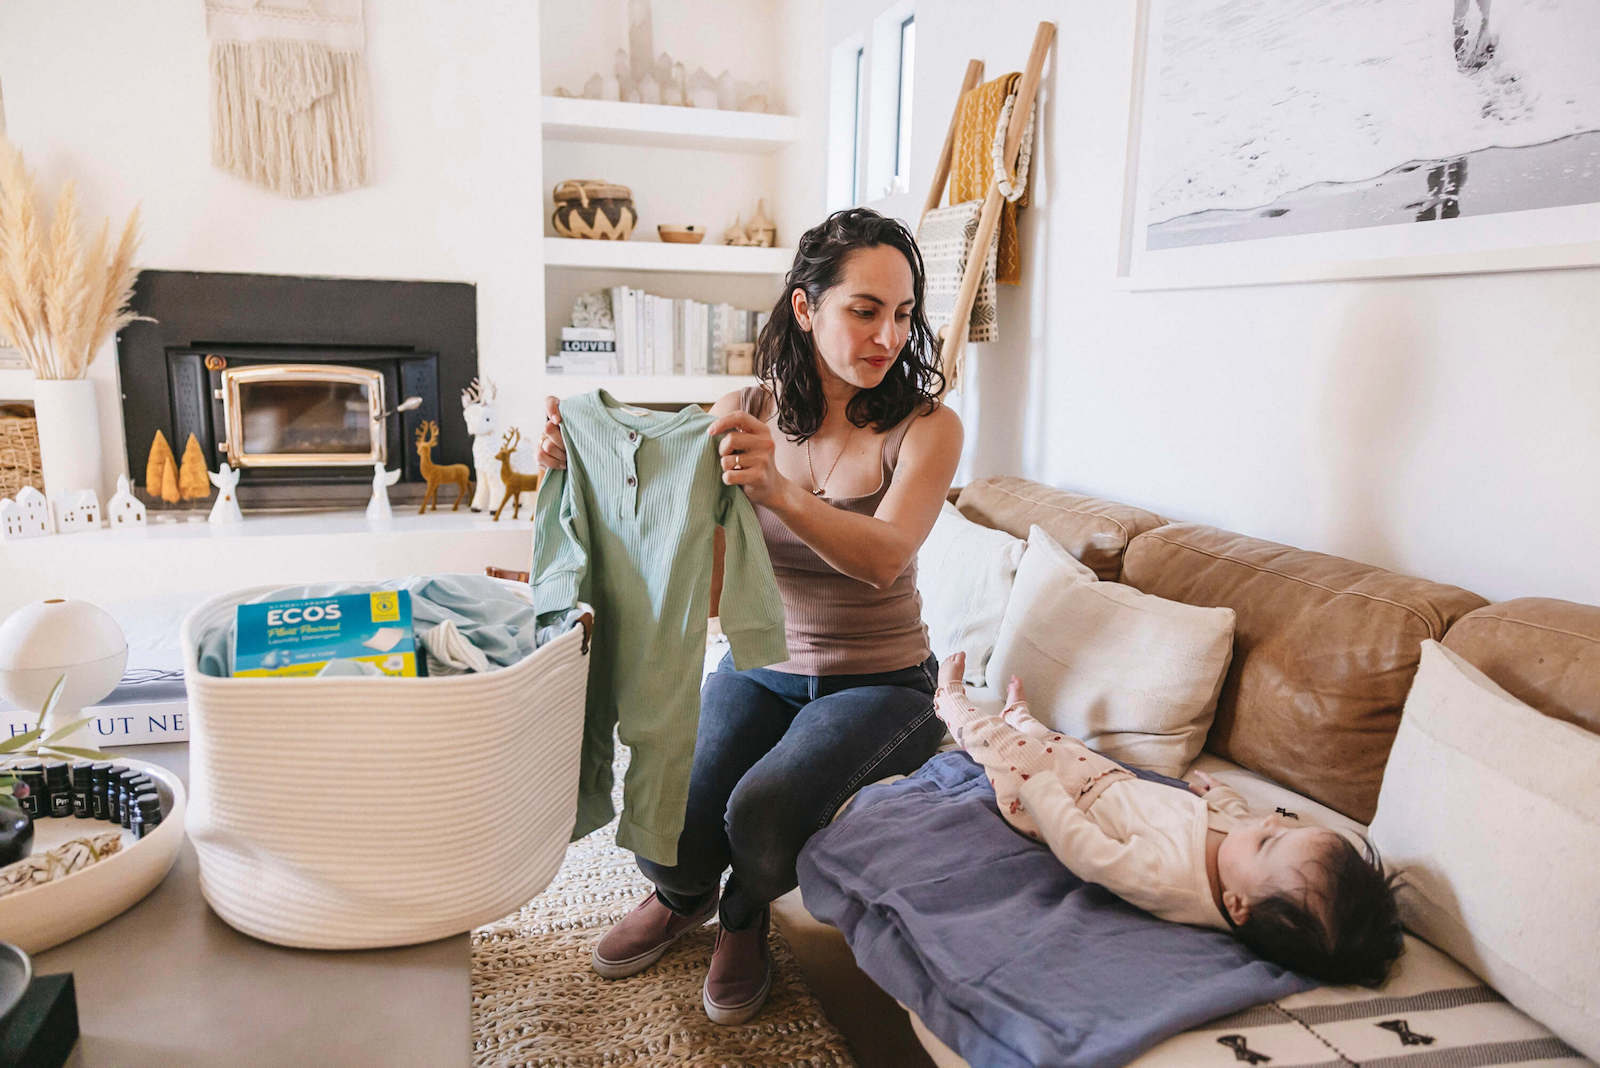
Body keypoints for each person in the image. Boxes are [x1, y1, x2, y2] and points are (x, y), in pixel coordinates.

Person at [536, 207, 963, 1024]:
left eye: (904, 314)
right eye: (864, 310)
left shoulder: (930, 426)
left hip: (883, 686)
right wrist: (578, 460)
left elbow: (883, 559)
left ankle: (741, 914)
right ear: (806, 308)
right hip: (762, 665)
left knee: (759, 816)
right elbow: (678, 535)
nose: (889, 337)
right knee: (672, 810)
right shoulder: (747, 405)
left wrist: (777, 491)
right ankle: (681, 896)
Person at [934, 651, 1405, 987]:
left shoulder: (1169, 880)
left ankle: (953, 704)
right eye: (1285, 828)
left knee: (1016, 751)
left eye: (1270, 843)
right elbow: (1247, 820)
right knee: (1064, 746)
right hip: (1110, 781)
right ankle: (1021, 715)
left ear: (1237, 906)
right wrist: (1222, 794)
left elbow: (1087, 853)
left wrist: (1041, 789)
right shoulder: (1246, 862)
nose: (1270, 825)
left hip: (1058, 803)